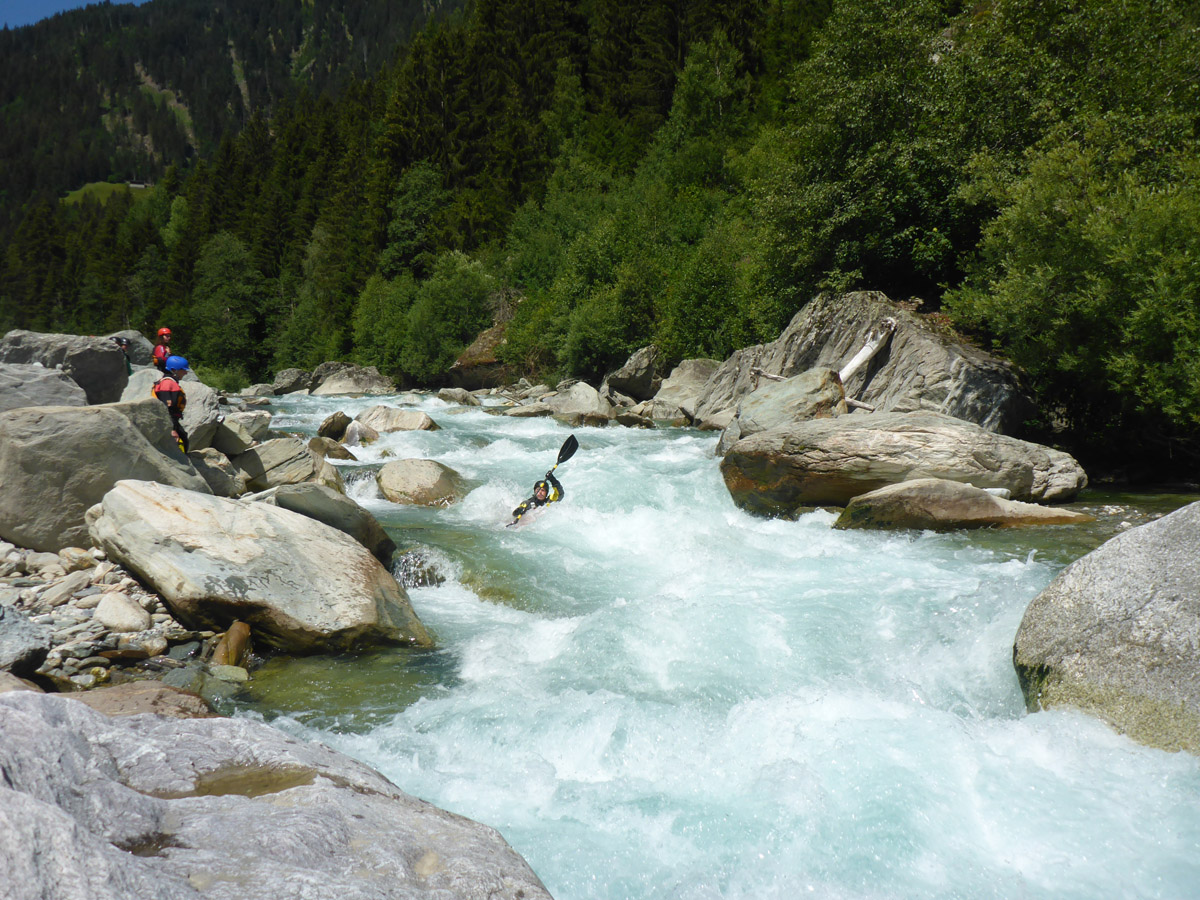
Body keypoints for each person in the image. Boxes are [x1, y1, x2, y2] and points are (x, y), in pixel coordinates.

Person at [152, 355, 190, 452]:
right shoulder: (168, 383)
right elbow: (167, 407)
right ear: (174, 370)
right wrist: (172, 429)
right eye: (183, 370)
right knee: (182, 441)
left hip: (170, 420)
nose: (186, 372)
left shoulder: (169, 382)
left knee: (184, 437)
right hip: (167, 421)